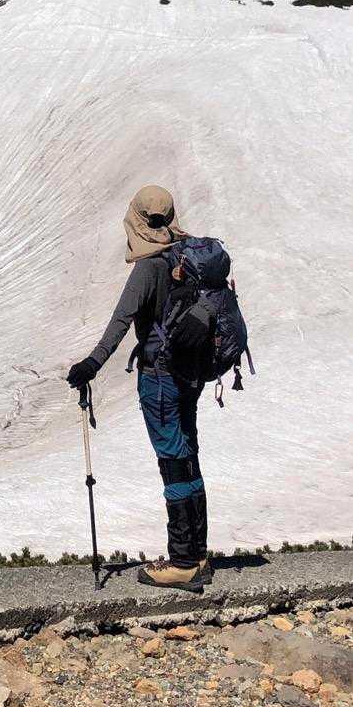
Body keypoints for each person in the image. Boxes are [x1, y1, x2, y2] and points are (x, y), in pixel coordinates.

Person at [66, 184, 210, 592]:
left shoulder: (149, 268)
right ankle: (198, 555)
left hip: (160, 379)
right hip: (189, 375)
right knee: (188, 455)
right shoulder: (187, 257)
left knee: (172, 461)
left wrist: (92, 364)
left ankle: (182, 563)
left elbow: (121, 320)